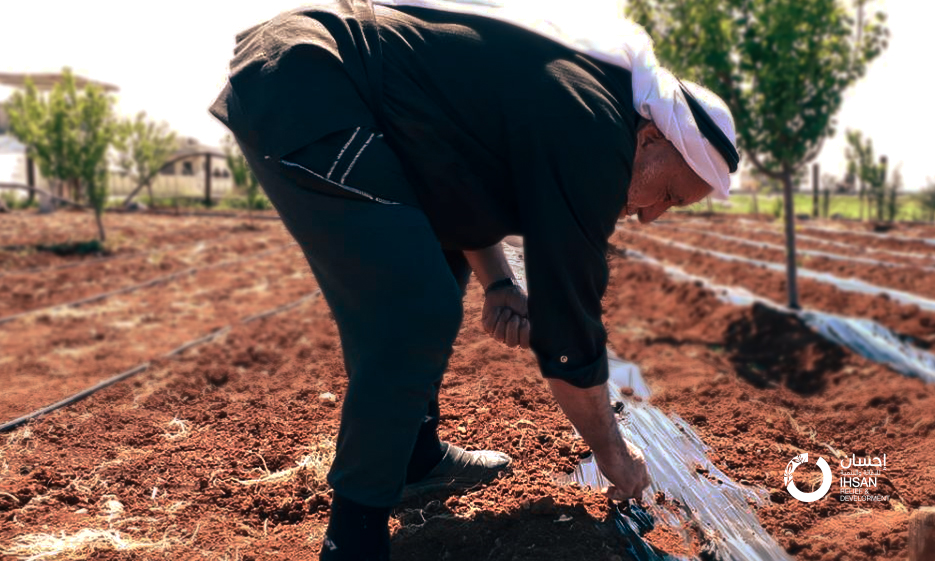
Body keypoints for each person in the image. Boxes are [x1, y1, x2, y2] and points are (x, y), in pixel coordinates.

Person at [210, 1, 740, 558]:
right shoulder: (597, 138)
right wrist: (611, 450)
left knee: (442, 259)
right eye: (671, 195)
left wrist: (499, 284)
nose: (654, 214)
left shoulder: (593, 109)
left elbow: (456, 182)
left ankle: (416, 457)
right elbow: (569, 325)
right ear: (652, 138)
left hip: (321, 78)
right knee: (417, 309)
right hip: (307, 82)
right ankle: (354, 535)